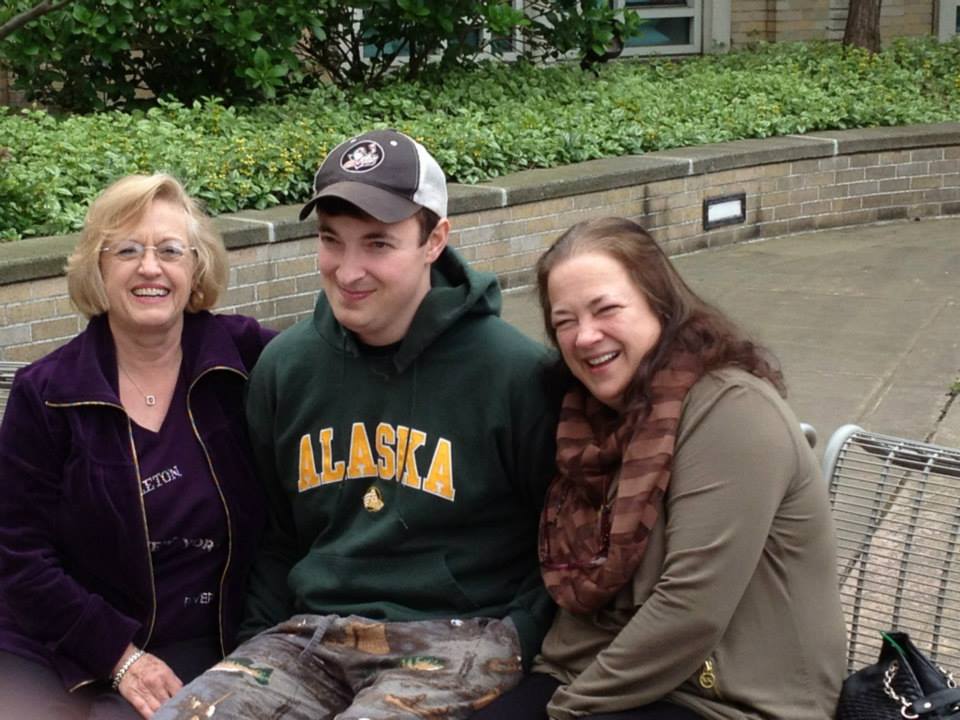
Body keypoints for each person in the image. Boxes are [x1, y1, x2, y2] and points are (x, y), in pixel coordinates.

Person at [154, 129, 559, 720]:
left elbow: (561, 541)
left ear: (435, 240)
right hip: (312, 636)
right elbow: (275, 534)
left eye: (377, 244)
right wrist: (251, 649)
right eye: (330, 241)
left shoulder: (514, 373)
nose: (348, 270)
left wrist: (522, 633)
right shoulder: (287, 368)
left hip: (459, 633)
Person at [471, 216, 847, 720]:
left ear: (661, 305)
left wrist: (564, 712)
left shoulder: (732, 410)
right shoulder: (587, 421)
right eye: (565, 321)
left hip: (731, 699)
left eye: (606, 309)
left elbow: (690, 610)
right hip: (597, 674)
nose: (585, 336)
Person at [0, 173, 276, 720]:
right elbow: (17, 552)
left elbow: (348, 346)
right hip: (59, 638)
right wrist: (119, 656)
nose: (150, 267)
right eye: (127, 250)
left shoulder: (245, 359)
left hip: (201, 637)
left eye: (170, 250)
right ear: (98, 268)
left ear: (196, 267)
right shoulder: (47, 393)